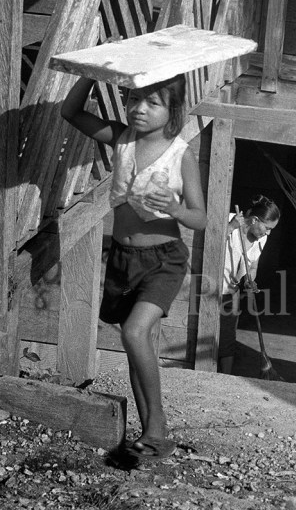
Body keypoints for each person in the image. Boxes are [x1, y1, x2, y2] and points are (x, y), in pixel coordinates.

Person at [61, 75, 207, 460]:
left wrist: (174, 208)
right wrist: (92, 73)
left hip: (164, 260)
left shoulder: (181, 155)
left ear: (172, 110)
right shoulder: (122, 139)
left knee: (134, 332)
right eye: (134, 99)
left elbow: (200, 218)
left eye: (152, 103)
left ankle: (157, 426)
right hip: (124, 261)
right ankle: (148, 437)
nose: (140, 109)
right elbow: (69, 112)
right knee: (135, 344)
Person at [219, 195, 281, 374]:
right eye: (267, 228)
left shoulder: (261, 239)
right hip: (209, 288)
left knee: (228, 336)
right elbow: (210, 239)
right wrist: (230, 227)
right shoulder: (229, 219)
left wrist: (250, 281)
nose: (268, 233)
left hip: (232, 291)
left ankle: (225, 377)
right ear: (254, 220)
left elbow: (253, 266)